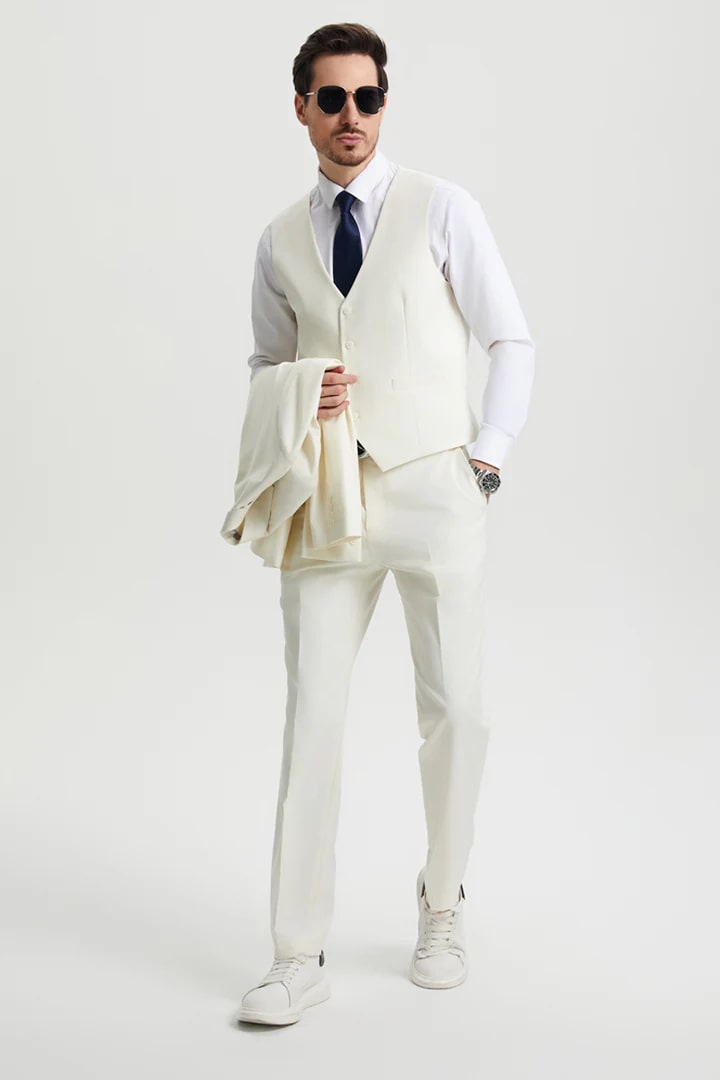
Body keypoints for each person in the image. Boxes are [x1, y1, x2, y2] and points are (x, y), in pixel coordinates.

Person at [235, 21, 535, 1026]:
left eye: (366, 97)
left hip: (437, 488)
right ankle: (296, 953)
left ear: (384, 103)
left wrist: (487, 456)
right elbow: (264, 365)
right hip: (327, 499)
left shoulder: (442, 207)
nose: (350, 116)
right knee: (312, 717)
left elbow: (510, 337)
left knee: (459, 711)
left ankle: (442, 905)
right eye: (331, 98)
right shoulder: (279, 239)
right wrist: (295, 392)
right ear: (302, 108)